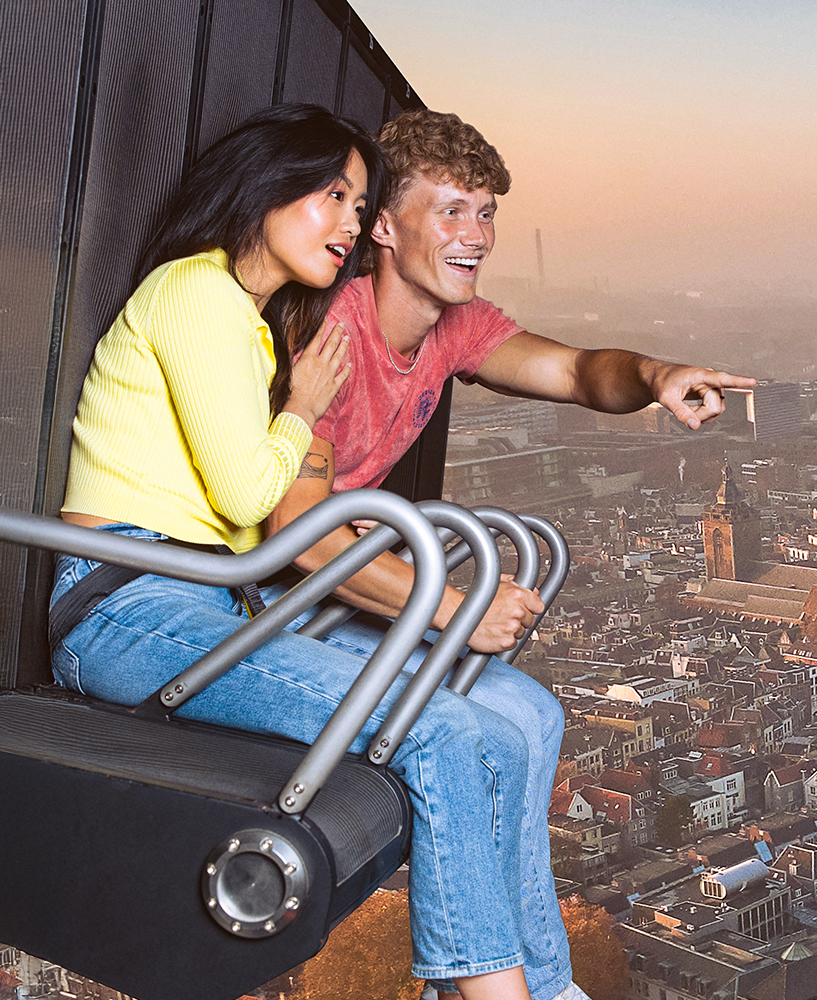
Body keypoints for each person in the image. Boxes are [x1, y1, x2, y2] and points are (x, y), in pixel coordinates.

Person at [265, 109, 756, 1000]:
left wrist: (654, 377)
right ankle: (478, 984)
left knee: (532, 719)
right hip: (273, 608)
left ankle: (546, 983)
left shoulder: (451, 327)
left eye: (486, 212)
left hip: (342, 603)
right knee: (470, 732)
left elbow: (573, 372)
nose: (476, 235)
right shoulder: (330, 332)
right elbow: (292, 528)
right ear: (382, 224)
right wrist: (451, 607)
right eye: (451, 211)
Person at [52, 104, 539, 1000]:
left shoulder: (244, 318)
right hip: (125, 605)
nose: (353, 222)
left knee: (487, 722)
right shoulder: (196, 291)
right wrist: (305, 407)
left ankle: (527, 985)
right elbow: (250, 498)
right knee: (434, 730)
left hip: (198, 604)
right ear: (267, 193)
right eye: (335, 196)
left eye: (361, 204)